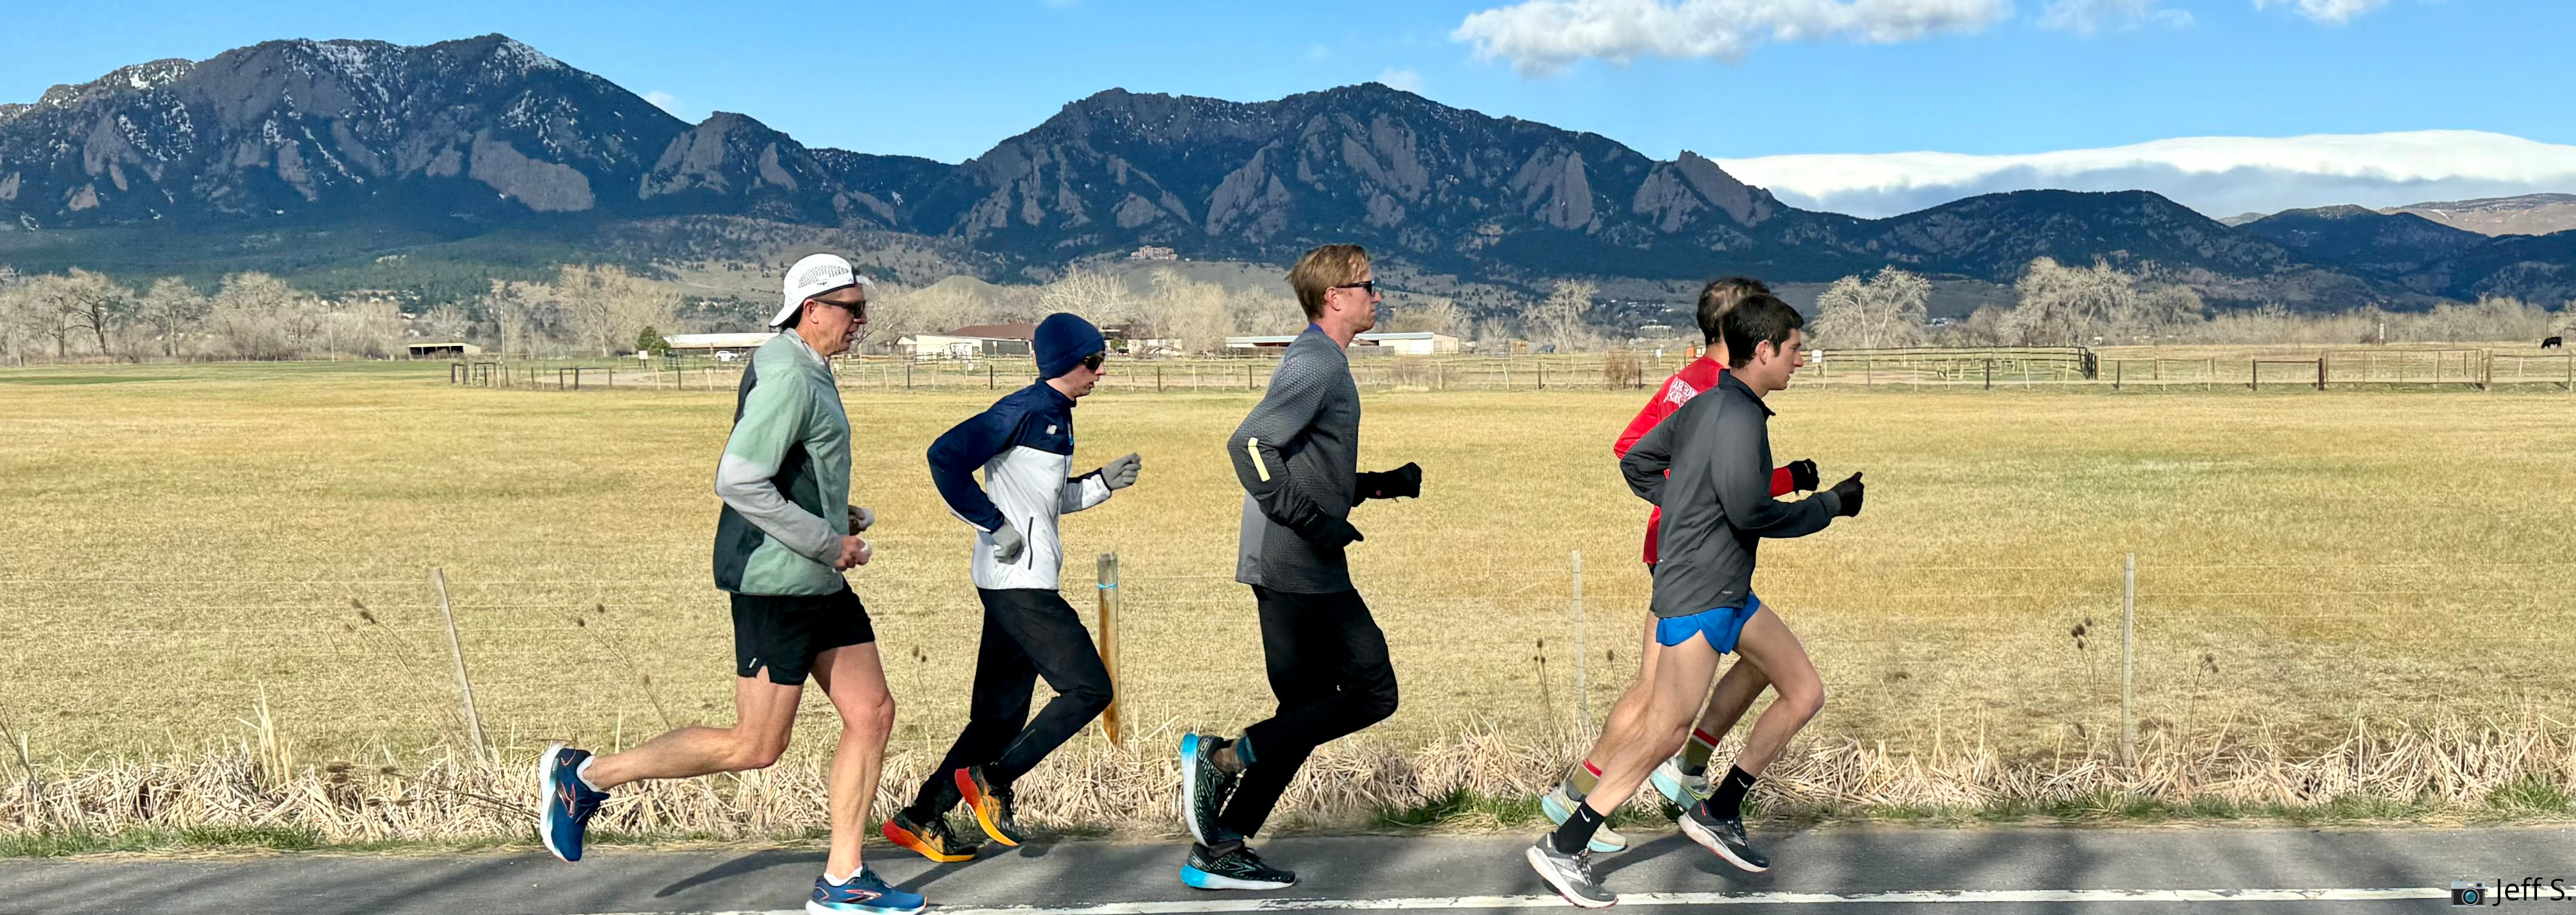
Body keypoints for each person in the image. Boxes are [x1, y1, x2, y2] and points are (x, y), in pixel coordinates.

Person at [536, 254, 925, 915]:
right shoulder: (790, 379)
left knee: (873, 714)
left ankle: (843, 881)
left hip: (815, 579)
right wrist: (829, 541)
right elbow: (738, 480)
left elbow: (788, 472)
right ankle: (584, 777)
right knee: (757, 746)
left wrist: (837, 515)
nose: (863, 320)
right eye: (853, 308)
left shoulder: (804, 366)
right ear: (814, 310)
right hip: (778, 581)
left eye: (863, 308)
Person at [1525, 293, 1865, 907]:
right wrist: (1830, 505)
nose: (1800, 360)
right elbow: (1749, 510)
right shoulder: (1734, 417)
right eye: (1794, 349)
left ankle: (1719, 808)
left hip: (1730, 588)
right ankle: (1564, 845)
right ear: (1763, 351)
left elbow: (1643, 464)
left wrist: (1682, 503)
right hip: (1700, 590)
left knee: (1803, 690)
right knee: (1664, 728)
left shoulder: (1714, 401)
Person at [1176, 244, 1422, 891]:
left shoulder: (1320, 359)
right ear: (1334, 297)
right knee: (1373, 692)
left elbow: (1306, 462)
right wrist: (1315, 524)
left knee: (1304, 713)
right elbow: (1250, 446)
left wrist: (1374, 484)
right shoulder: (1316, 362)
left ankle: (1222, 848)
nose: (1377, 295)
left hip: (1284, 557)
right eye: (1368, 286)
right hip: (1298, 560)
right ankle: (1224, 759)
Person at [882, 312, 1140, 863]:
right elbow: (945, 457)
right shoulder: (1022, 410)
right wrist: (991, 524)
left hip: (1017, 581)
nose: (1100, 372)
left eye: (1102, 360)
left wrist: (1100, 484)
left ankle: (921, 816)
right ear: (1066, 363)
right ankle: (993, 780)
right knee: (1090, 689)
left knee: (998, 717)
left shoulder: (1057, 416)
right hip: (1019, 584)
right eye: (1094, 361)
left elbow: (1043, 502)